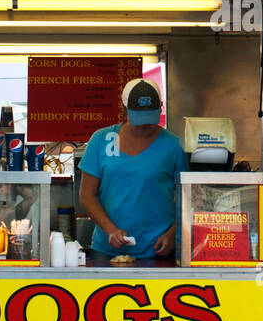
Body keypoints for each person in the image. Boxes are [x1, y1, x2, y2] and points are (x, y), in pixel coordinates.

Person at [79, 79, 188, 261]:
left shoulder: (174, 145)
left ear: (160, 108)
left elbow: (189, 198)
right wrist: (110, 229)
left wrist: (173, 234)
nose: (144, 126)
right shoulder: (101, 140)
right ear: (124, 110)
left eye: (150, 119)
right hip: (107, 251)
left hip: (158, 251)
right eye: (138, 119)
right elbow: (87, 195)